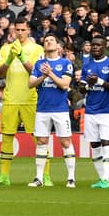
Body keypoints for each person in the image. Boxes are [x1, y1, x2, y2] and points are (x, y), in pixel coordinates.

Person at [0, 16, 43, 185]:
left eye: (23, 30)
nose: (20, 33)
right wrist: (9, 60)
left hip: (30, 99)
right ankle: (4, 176)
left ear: (28, 30)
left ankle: (45, 176)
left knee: (39, 137)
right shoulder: (5, 49)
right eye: (17, 30)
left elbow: (38, 72)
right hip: (10, 99)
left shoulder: (37, 49)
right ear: (13, 30)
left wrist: (22, 57)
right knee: (7, 137)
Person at [27, 34, 77, 187]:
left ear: (58, 46)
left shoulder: (66, 63)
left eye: (51, 40)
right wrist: (43, 75)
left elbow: (64, 84)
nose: (48, 42)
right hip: (42, 108)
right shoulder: (38, 64)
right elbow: (30, 84)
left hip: (60, 109)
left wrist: (50, 74)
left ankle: (71, 178)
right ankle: (39, 178)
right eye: (46, 40)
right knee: (41, 141)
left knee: (65, 141)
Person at [79, 34, 109, 188]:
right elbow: (82, 89)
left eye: (98, 45)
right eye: (93, 45)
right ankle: (100, 178)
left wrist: (100, 81)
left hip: (106, 111)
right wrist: (89, 85)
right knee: (95, 145)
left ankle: (106, 179)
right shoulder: (86, 65)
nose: (94, 47)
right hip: (90, 111)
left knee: (106, 143)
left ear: (104, 47)